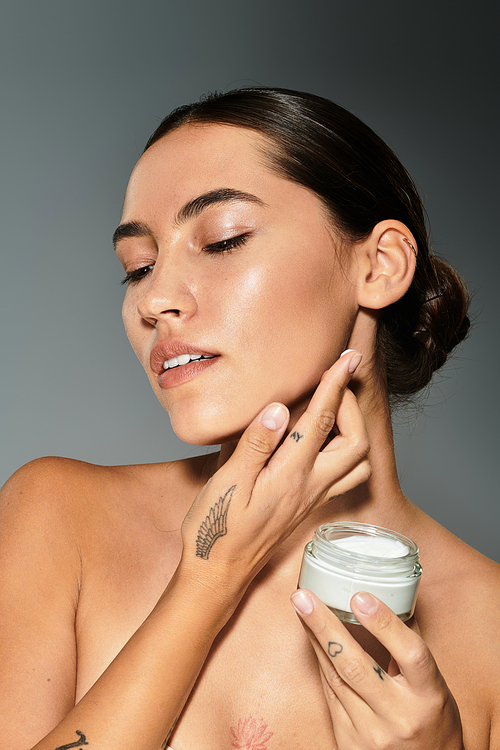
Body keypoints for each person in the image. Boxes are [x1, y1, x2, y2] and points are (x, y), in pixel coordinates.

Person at [0, 87, 498, 750]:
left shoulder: (490, 627)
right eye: (138, 267)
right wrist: (209, 577)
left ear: (378, 266)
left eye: (222, 240)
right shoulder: (62, 519)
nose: (156, 299)